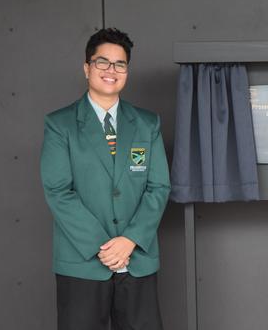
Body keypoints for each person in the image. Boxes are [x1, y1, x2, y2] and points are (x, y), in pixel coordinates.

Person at [40, 28, 171, 330]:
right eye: (102, 62)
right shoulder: (60, 125)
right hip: (82, 261)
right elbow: (59, 192)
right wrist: (105, 247)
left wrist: (129, 241)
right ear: (87, 67)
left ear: (127, 71)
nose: (111, 70)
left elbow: (158, 187)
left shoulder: (147, 124)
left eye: (120, 64)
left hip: (137, 259)